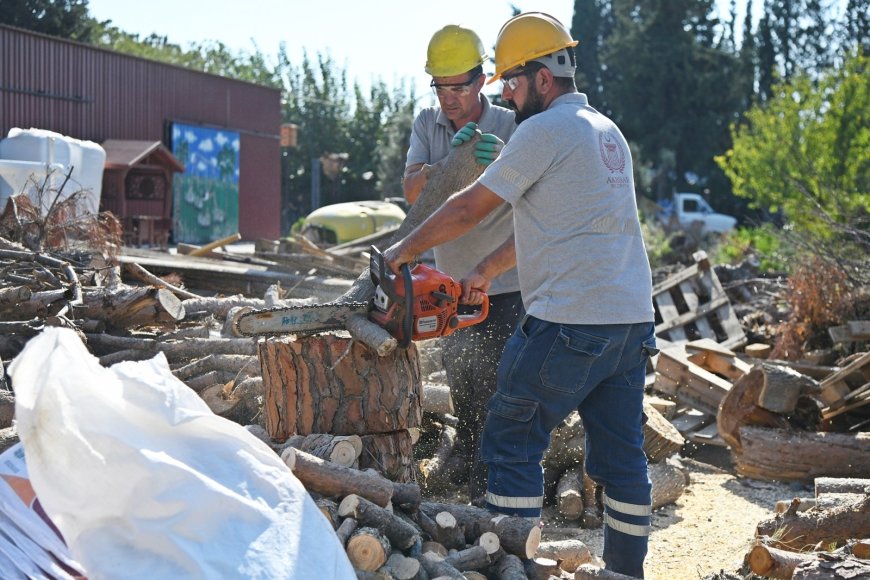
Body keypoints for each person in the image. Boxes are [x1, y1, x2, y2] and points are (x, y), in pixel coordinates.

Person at [387, 13, 657, 578]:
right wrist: (486, 269)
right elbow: (553, 225)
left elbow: (466, 209)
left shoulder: (542, 131)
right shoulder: (606, 132)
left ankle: (507, 568)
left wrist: (401, 253)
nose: (505, 93)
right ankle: (625, 573)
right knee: (623, 460)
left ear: (542, 76)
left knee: (508, 437)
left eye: (511, 80)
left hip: (567, 321)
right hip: (630, 322)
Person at [403, 24, 524, 502]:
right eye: (440, 86)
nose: (449, 98)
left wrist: (498, 163)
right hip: (448, 283)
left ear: (481, 81)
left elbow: (529, 191)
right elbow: (414, 192)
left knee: (501, 386)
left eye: (458, 86)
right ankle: (471, 469)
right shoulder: (426, 124)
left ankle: (495, 487)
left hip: (505, 281)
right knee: (463, 384)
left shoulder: (513, 125)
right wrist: (449, 168)